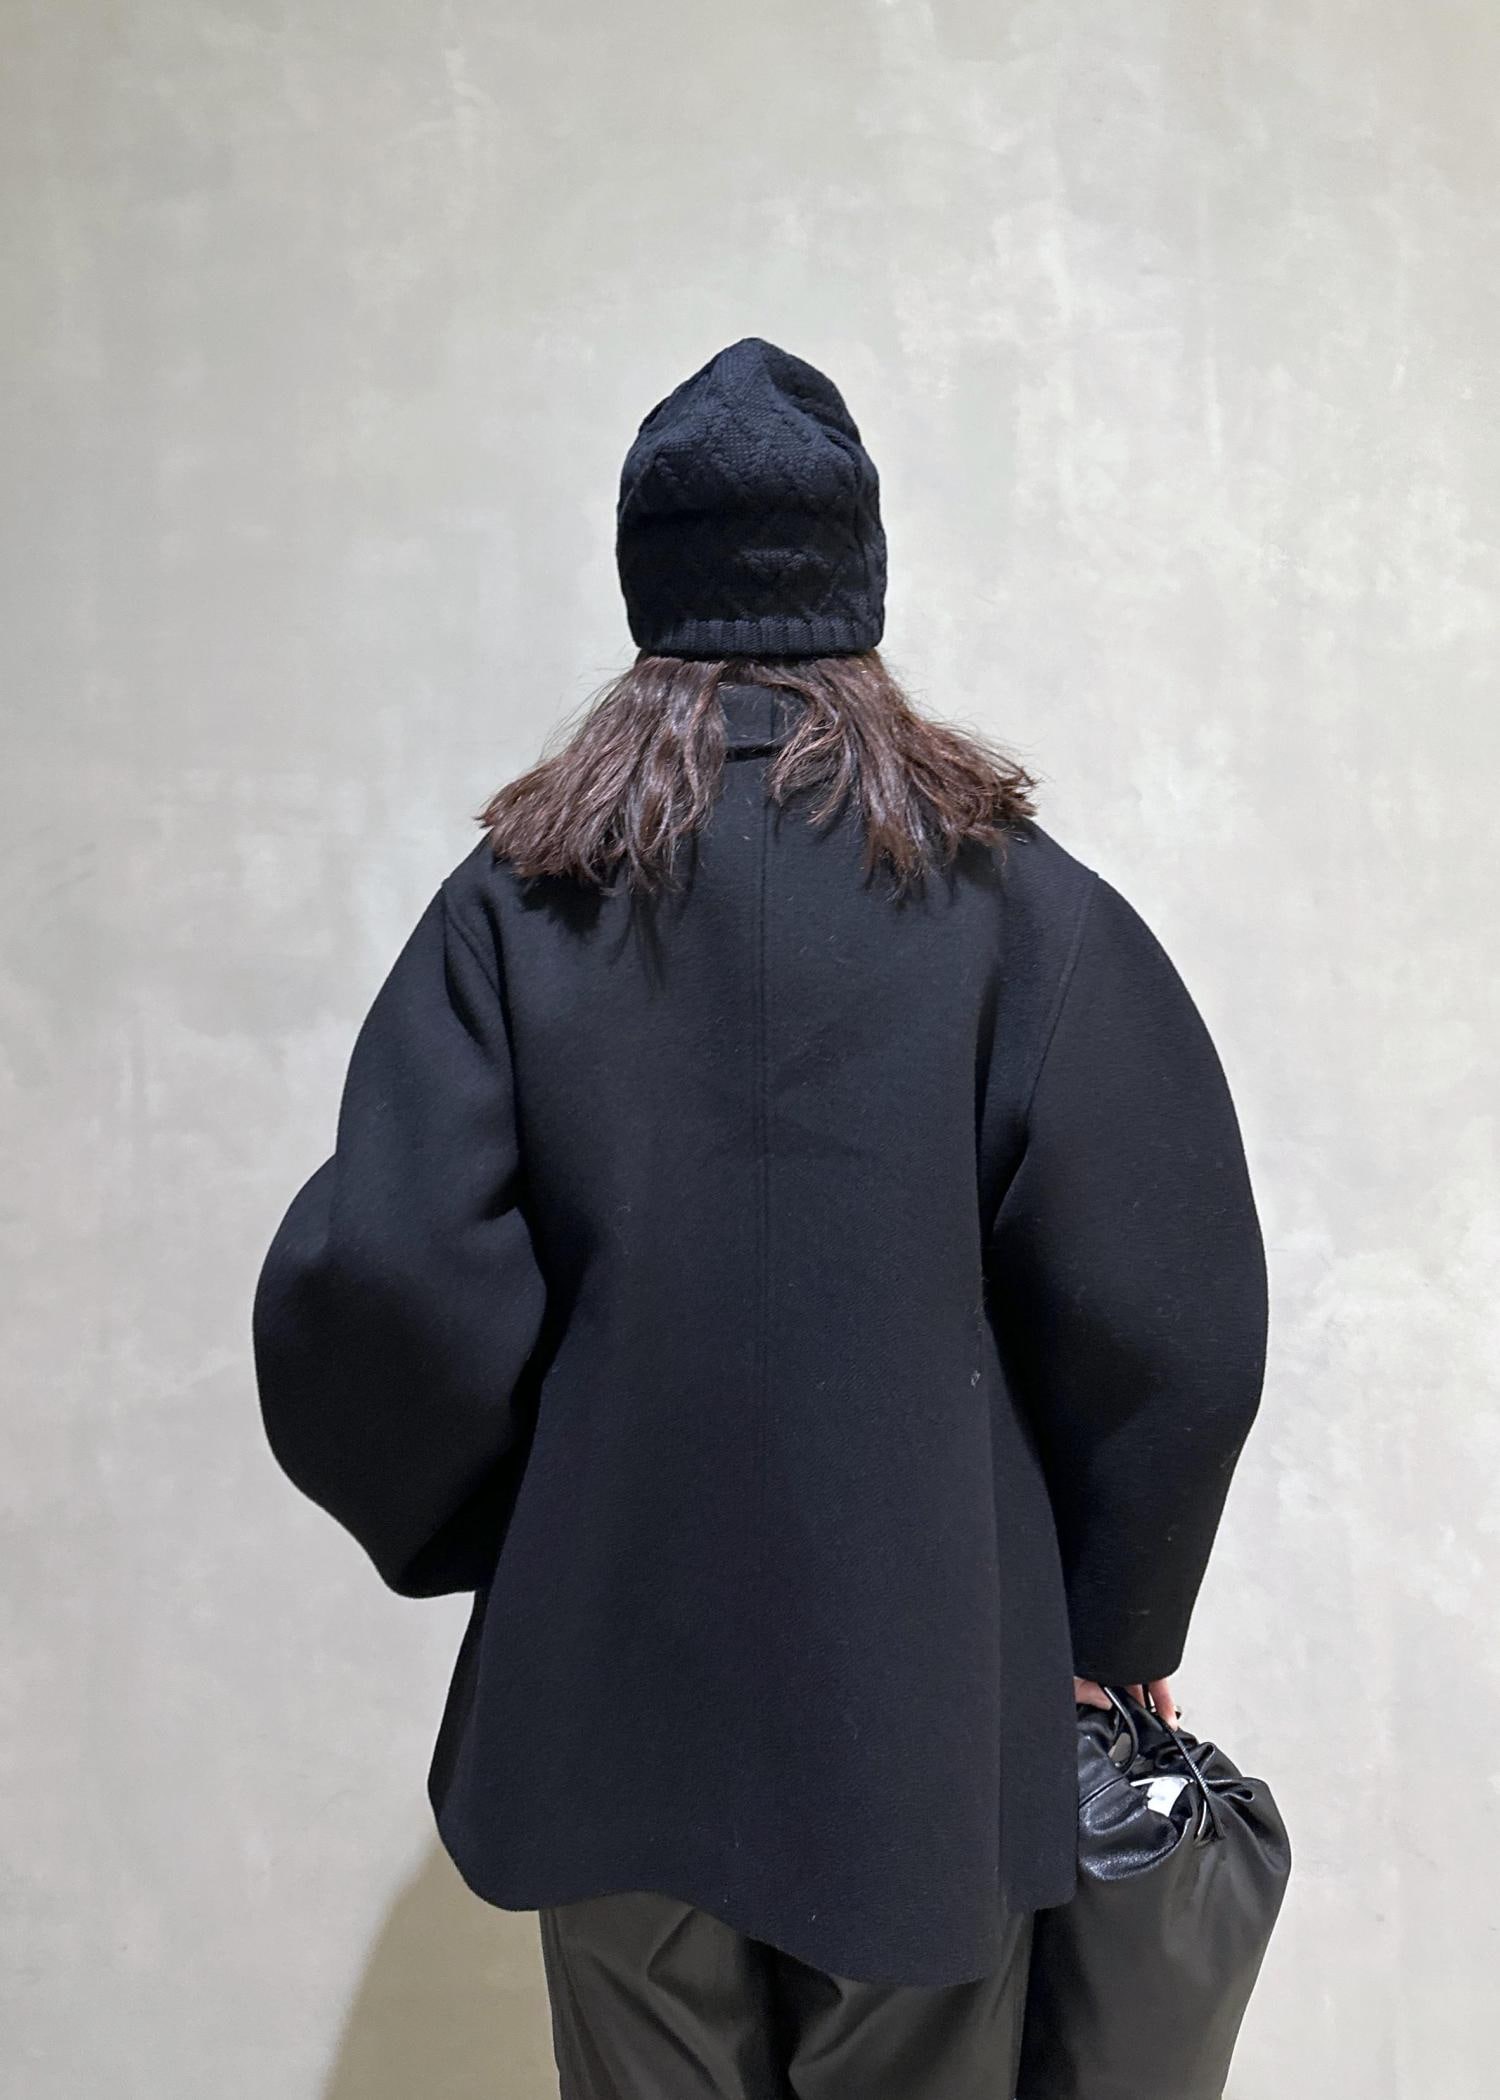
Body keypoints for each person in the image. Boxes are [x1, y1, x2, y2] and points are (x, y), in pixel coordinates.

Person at [252, 336, 1269, 2098]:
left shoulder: (516, 908)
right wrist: (1114, 1634)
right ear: (859, 578)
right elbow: (1177, 1320)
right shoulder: (1019, 908)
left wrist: (521, 1515)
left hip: (609, 1712)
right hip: (936, 1728)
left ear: (646, 586)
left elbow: (389, 1282)